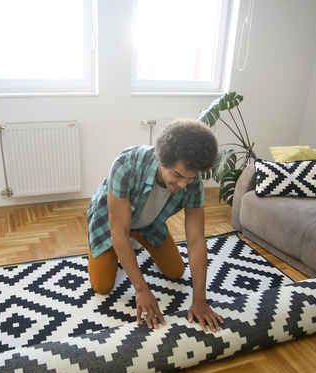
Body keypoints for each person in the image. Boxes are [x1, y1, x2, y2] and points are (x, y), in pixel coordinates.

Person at [86, 118, 224, 332]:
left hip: (149, 224)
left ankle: (133, 246)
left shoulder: (192, 184)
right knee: (102, 286)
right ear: (162, 158)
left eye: (191, 177)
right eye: (177, 175)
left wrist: (200, 301)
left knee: (176, 272)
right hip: (111, 221)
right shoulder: (126, 164)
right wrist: (141, 289)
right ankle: (121, 253)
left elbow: (196, 242)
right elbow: (118, 232)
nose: (183, 185)